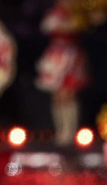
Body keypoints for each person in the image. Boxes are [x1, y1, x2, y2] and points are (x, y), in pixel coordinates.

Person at [36, 2, 91, 147]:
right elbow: (47, 26)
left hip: (71, 56)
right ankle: (60, 132)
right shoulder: (54, 13)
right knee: (57, 95)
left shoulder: (79, 13)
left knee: (69, 93)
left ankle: (70, 132)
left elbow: (80, 26)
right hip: (56, 56)